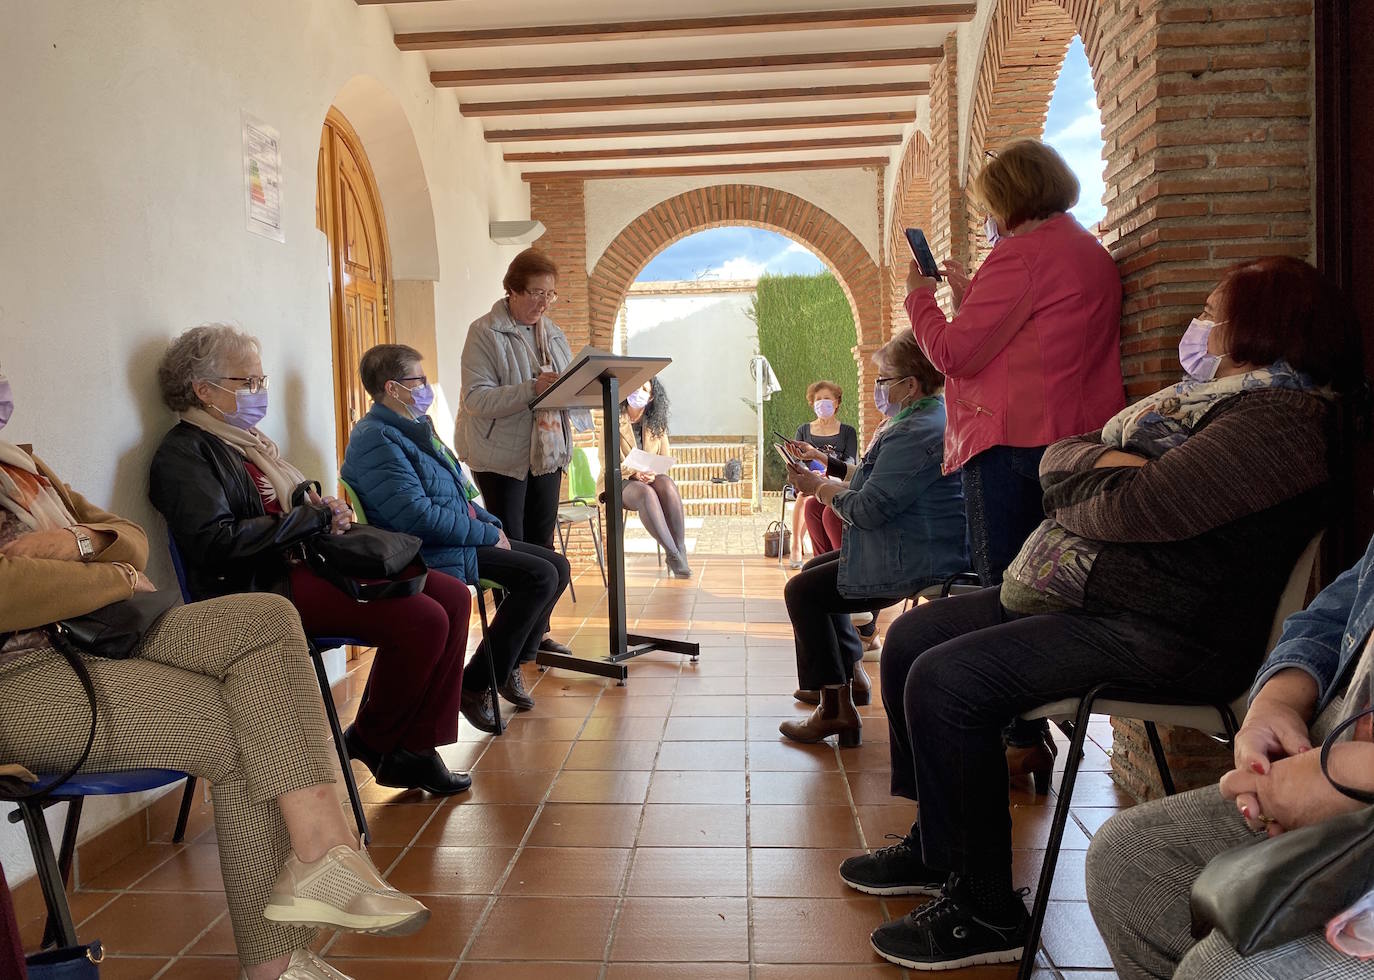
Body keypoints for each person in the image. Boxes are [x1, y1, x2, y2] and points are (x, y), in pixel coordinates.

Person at [841, 257, 1364, 971]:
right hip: (1098, 592)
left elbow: (1139, 504)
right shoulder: (1207, 404)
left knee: (949, 678)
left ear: (1266, 324)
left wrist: (1109, 472)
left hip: (1171, 631)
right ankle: (939, 845)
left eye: (1215, 309)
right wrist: (1106, 466)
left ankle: (985, 907)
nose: (1201, 325)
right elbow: (1062, 461)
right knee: (913, 637)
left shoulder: (1282, 425)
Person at [0, 364, 429, 980]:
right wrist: (108, 571)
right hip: (22, 677)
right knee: (242, 735)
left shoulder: (24, 464)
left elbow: (128, 538)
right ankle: (281, 957)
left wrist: (82, 547)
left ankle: (323, 848)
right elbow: (14, 590)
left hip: (106, 633)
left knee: (268, 618)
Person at [149, 325, 473, 796]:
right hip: (261, 585)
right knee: (423, 619)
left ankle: (415, 746)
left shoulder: (250, 442)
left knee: (450, 594)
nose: (260, 392)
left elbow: (286, 506)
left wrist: (324, 509)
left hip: (305, 561)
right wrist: (309, 520)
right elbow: (215, 544)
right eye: (248, 383)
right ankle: (373, 741)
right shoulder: (183, 454)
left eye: (261, 381)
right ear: (203, 389)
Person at [905, 137, 1126, 765]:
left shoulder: (1021, 256)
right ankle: (1034, 729)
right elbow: (1031, 339)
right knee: (1050, 591)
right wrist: (974, 291)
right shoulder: (1081, 249)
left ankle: (1018, 738)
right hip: (1075, 442)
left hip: (1012, 445)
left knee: (1008, 592)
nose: (987, 219)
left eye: (988, 205)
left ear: (1007, 198)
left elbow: (952, 355)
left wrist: (920, 297)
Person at [1086, 529, 1374, 979]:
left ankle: (985, 912)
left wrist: (1350, 776)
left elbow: (1146, 507)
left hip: (1347, 771)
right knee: (1126, 859)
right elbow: (1334, 613)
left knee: (1228, 970)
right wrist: (1276, 704)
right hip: (1333, 745)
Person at [343, 344, 572, 727]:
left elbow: (459, 492)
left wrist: (491, 524)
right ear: (393, 388)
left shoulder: (415, 428)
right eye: (418, 380)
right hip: (429, 547)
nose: (426, 388)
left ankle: (507, 663)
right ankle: (476, 682)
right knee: (540, 576)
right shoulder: (376, 439)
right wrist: (483, 532)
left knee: (557, 566)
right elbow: (415, 517)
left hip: (458, 534)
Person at [778, 335, 966, 747]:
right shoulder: (928, 415)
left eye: (884, 379)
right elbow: (874, 477)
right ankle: (847, 682)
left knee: (803, 592)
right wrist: (825, 466)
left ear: (911, 385)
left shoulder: (913, 430)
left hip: (918, 553)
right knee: (813, 573)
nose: (879, 388)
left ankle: (835, 709)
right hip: (919, 540)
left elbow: (867, 509)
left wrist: (817, 486)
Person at [453, 247, 579, 659]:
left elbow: (569, 385)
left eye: (550, 295)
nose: (544, 302)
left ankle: (536, 636)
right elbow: (476, 400)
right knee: (512, 548)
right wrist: (531, 390)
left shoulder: (554, 332)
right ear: (511, 289)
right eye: (536, 293)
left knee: (543, 543)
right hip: (499, 455)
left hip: (547, 451)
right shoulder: (484, 332)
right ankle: (509, 645)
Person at [617, 377, 691, 578]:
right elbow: (608, 462)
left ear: (650, 398)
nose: (638, 392)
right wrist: (633, 473)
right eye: (635, 387)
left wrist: (652, 473)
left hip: (648, 477)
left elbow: (664, 457)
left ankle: (680, 547)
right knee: (646, 494)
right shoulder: (615, 420)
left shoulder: (656, 422)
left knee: (666, 483)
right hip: (620, 480)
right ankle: (673, 553)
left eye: (644, 389)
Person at [793, 379, 858, 566]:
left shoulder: (848, 431)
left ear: (837, 402)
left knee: (820, 503)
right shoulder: (804, 430)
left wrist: (829, 476)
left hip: (836, 476)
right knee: (806, 498)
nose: (822, 403)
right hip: (809, 475)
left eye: (827, 399)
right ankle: (798, 543)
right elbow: (797, 459)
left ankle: (836, 565)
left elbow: (851, 461)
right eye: (818, 399)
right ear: (812, 403)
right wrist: (807, 473)